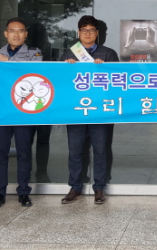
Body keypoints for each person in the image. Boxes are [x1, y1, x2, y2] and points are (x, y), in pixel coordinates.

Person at [0, 17, 43, 209]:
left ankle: (24, 192)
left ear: (26, 34)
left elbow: (35, 72)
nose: (16, 34)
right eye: (12, 31)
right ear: (6, 34)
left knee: (24, 153)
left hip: (24, 112)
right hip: (2, 112)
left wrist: (9, 61)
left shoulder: (34, 54)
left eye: (20, 30)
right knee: (0, 154)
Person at [60, 15, 119, 205]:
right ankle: (75, 187)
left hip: (100, 111)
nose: (88, 33)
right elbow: (60, 82)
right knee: (75, 151)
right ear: (78, 32)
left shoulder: (108, 54)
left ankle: (99, 187)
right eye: (84, 30)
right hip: (76, 110)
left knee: (101, 150)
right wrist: (66, 68)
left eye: (91, 30)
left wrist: (105, 69)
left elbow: (118, 80)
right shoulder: (69, 54)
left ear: (97, 33)